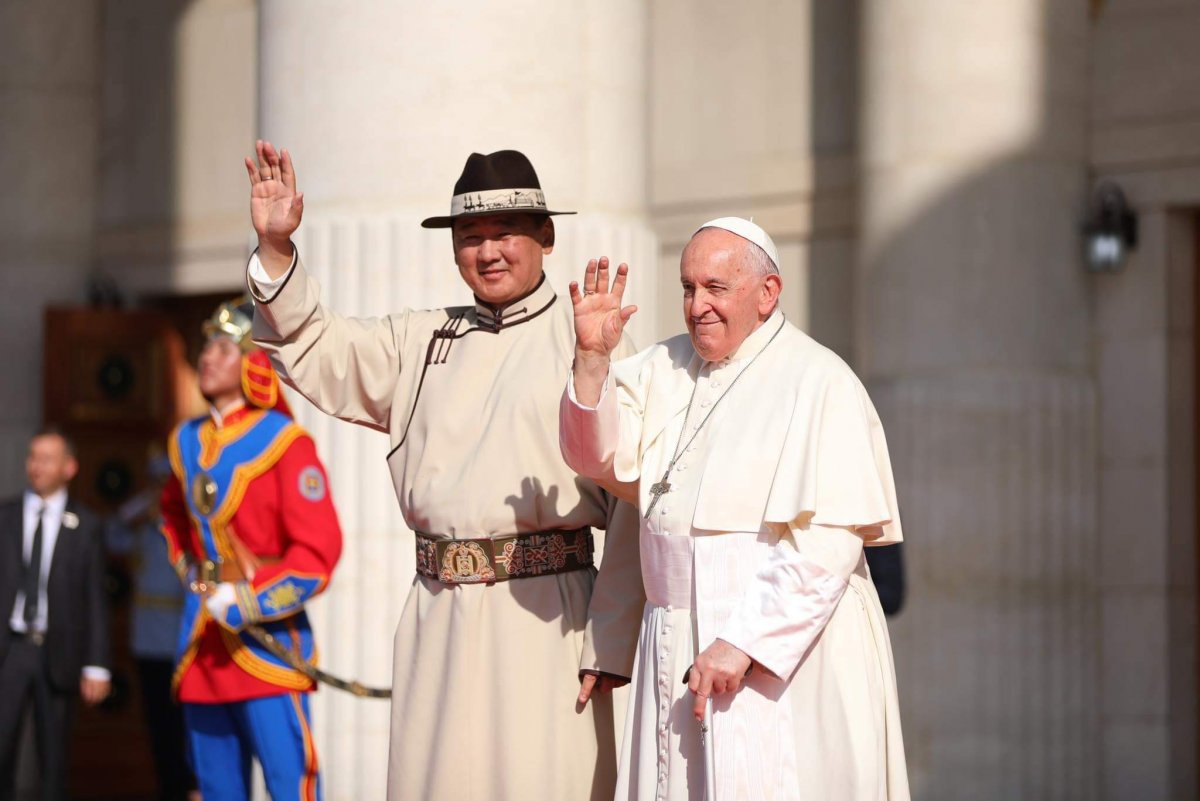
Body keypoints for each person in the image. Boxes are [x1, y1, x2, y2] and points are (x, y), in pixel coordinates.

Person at [243, 141, 644, 801]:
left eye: (505, 233)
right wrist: (277, 248)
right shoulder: (419, 339)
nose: (487, 252)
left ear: (545, 237)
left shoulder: (592, 339)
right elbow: (311, 342)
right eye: (470, 236)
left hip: (549, 618)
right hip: (435, 617)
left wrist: (611, 636)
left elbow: (638, 498)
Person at [560, 218, 910, 800]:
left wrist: (747, 641)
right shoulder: (662, 366)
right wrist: (593, 360)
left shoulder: (820, 379)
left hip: (784, 651)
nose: (697, 306)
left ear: (767, 293)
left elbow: (829, 542)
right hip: (674, 639)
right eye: (688, 288)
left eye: (716, 288)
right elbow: (593, 456)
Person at [159, 300, 343, 801]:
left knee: (290, 785)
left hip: (267, 644)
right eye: (206, 348)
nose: (207, 357)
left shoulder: (285, 442)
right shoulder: (185, 440)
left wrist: (248, 599)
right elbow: (171, 515)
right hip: (203, 644)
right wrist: (195, 576)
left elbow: (317, 555)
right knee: (215, 787)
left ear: (253, 363)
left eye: (223, 349)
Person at [0, 427, 111, 801]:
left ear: (69, 467)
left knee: (54, 761)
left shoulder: (86, 525)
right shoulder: (5, 516)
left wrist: (97, 665)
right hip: (10, 651)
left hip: (58, 652)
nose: (37, 466)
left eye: (47, 459)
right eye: (33, 457)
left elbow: (95, 598)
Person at [105, 453, 197, 801]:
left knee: (187, 726)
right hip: (148, 640)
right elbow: (111, 534)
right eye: (156, 484)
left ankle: (190, 788)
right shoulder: (143, 528)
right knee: (159, 726)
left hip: (181, 640)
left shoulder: (186, 528)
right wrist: (142, 506)